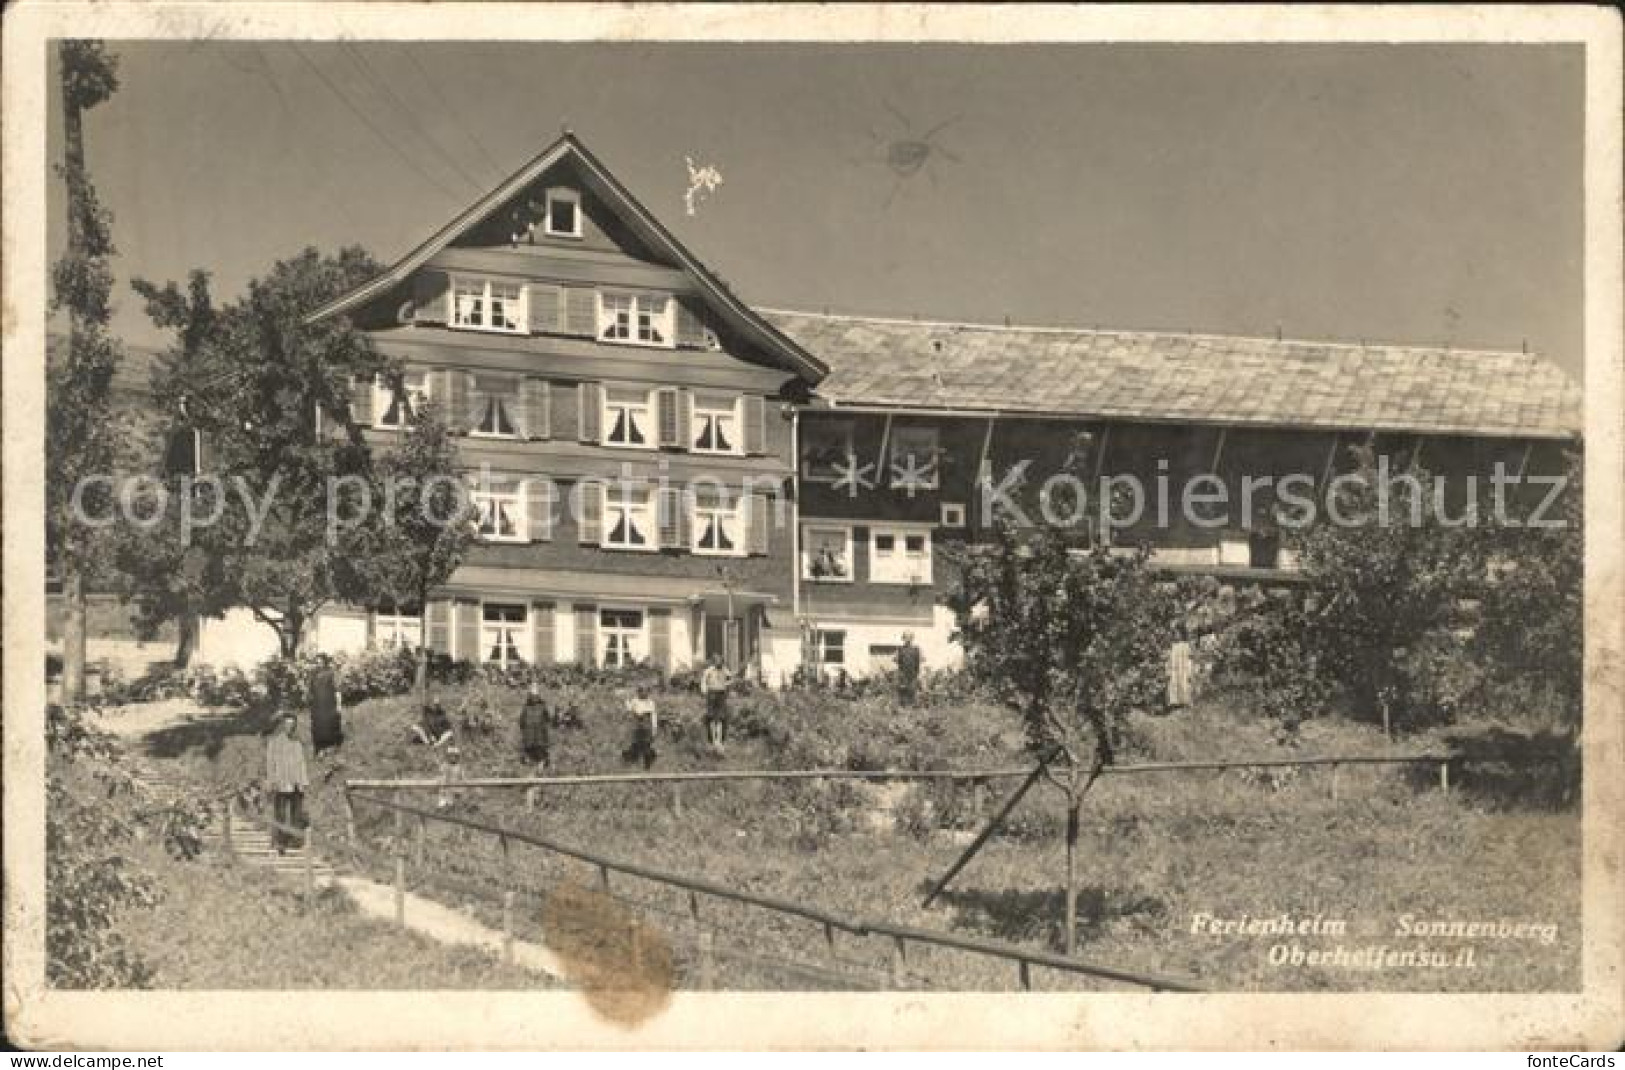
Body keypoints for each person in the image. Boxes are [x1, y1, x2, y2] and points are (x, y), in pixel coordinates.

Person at [264, 713, 309, 854]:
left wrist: (303, 781)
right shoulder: (274, 743)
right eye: (288, 725)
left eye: (293, 725)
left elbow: (301, 763)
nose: (291, 728)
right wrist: (272, 781)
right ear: (283, 726)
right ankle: (279, 842)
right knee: (281, 814)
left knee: (296, 814)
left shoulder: (297, 744)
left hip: (295, 783)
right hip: (281, 783)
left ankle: (294, 841)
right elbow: (270, 764)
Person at [308, 655, 343, 755]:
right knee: (318, 726)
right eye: (316, 662)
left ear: (324, 662)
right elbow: (311, 692)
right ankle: (319, 749)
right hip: (317, 706)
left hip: (329, 705)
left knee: (330, 725)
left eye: (320, 661)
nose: (318, 664)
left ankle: (331, 748)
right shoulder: (313, 676)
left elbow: (337, 690)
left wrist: (339, 705)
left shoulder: (331, 674)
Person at [700, 653, 732, 755]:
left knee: (721, 717)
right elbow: (703, 681)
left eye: (721, 662)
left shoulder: (725, 670)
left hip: (721, 694)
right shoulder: (709, 670)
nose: (720, 664)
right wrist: (704, 690)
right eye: (717, 662)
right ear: (714, 662)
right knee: (711, 717)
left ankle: (719, 742)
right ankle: (712, 741)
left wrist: (726, 684)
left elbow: (730, 679)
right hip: (712, 694)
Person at [621, 686, 659, 769]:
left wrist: (654, 728)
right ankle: (632, 762)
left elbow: (653, 716)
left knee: (646, 744)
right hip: (637, 725)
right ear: (639, 692)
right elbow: (629, 709)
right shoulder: (635, 701)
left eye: (646, 691)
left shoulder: (650, 702)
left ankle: (647, 765)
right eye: (641, 691)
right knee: (636, 744)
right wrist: (627, 701)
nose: (644, 693)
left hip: (646, 725)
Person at [519, 680, 551, 769]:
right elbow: (521, 720)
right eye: (532, 695)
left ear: (538, 696)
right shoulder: (526, 707)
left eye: (535, 696)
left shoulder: (542, 706)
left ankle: (541, 762)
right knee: (528, 747)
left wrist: (543, 726)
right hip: (529, 732)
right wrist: (524, 727)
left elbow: (548, 718)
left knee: (540, 747)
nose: (533, 698)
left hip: (539, 732)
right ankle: (529, 761)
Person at [1167, 624, 1195, 711]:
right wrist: (1169, 669)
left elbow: (1189, 659)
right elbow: (1170, 659)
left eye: (1178, 633)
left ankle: (1185, 704)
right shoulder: (1173, 646)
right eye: (1175, 633)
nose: (1176, 635)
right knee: (1174, 684)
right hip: (1175, 669)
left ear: (1182, 634)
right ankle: (1175, 704)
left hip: (1184, 669)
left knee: (1184, 685)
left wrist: (1190, 670)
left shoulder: (1186, 646)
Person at [896, 632, 922, 707]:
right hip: (903, 673)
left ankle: (913, 706)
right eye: (905, 638)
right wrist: (900, 673)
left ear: (911, 639)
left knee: (912, 690)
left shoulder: (916, 650)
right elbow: (899, 663)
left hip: (912, 673)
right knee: (903, 690)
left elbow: (917, 663)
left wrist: (916, 673)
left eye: (909, 638)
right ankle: (903, 706)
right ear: (903, 639)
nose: (907, 640)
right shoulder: (901, 649)